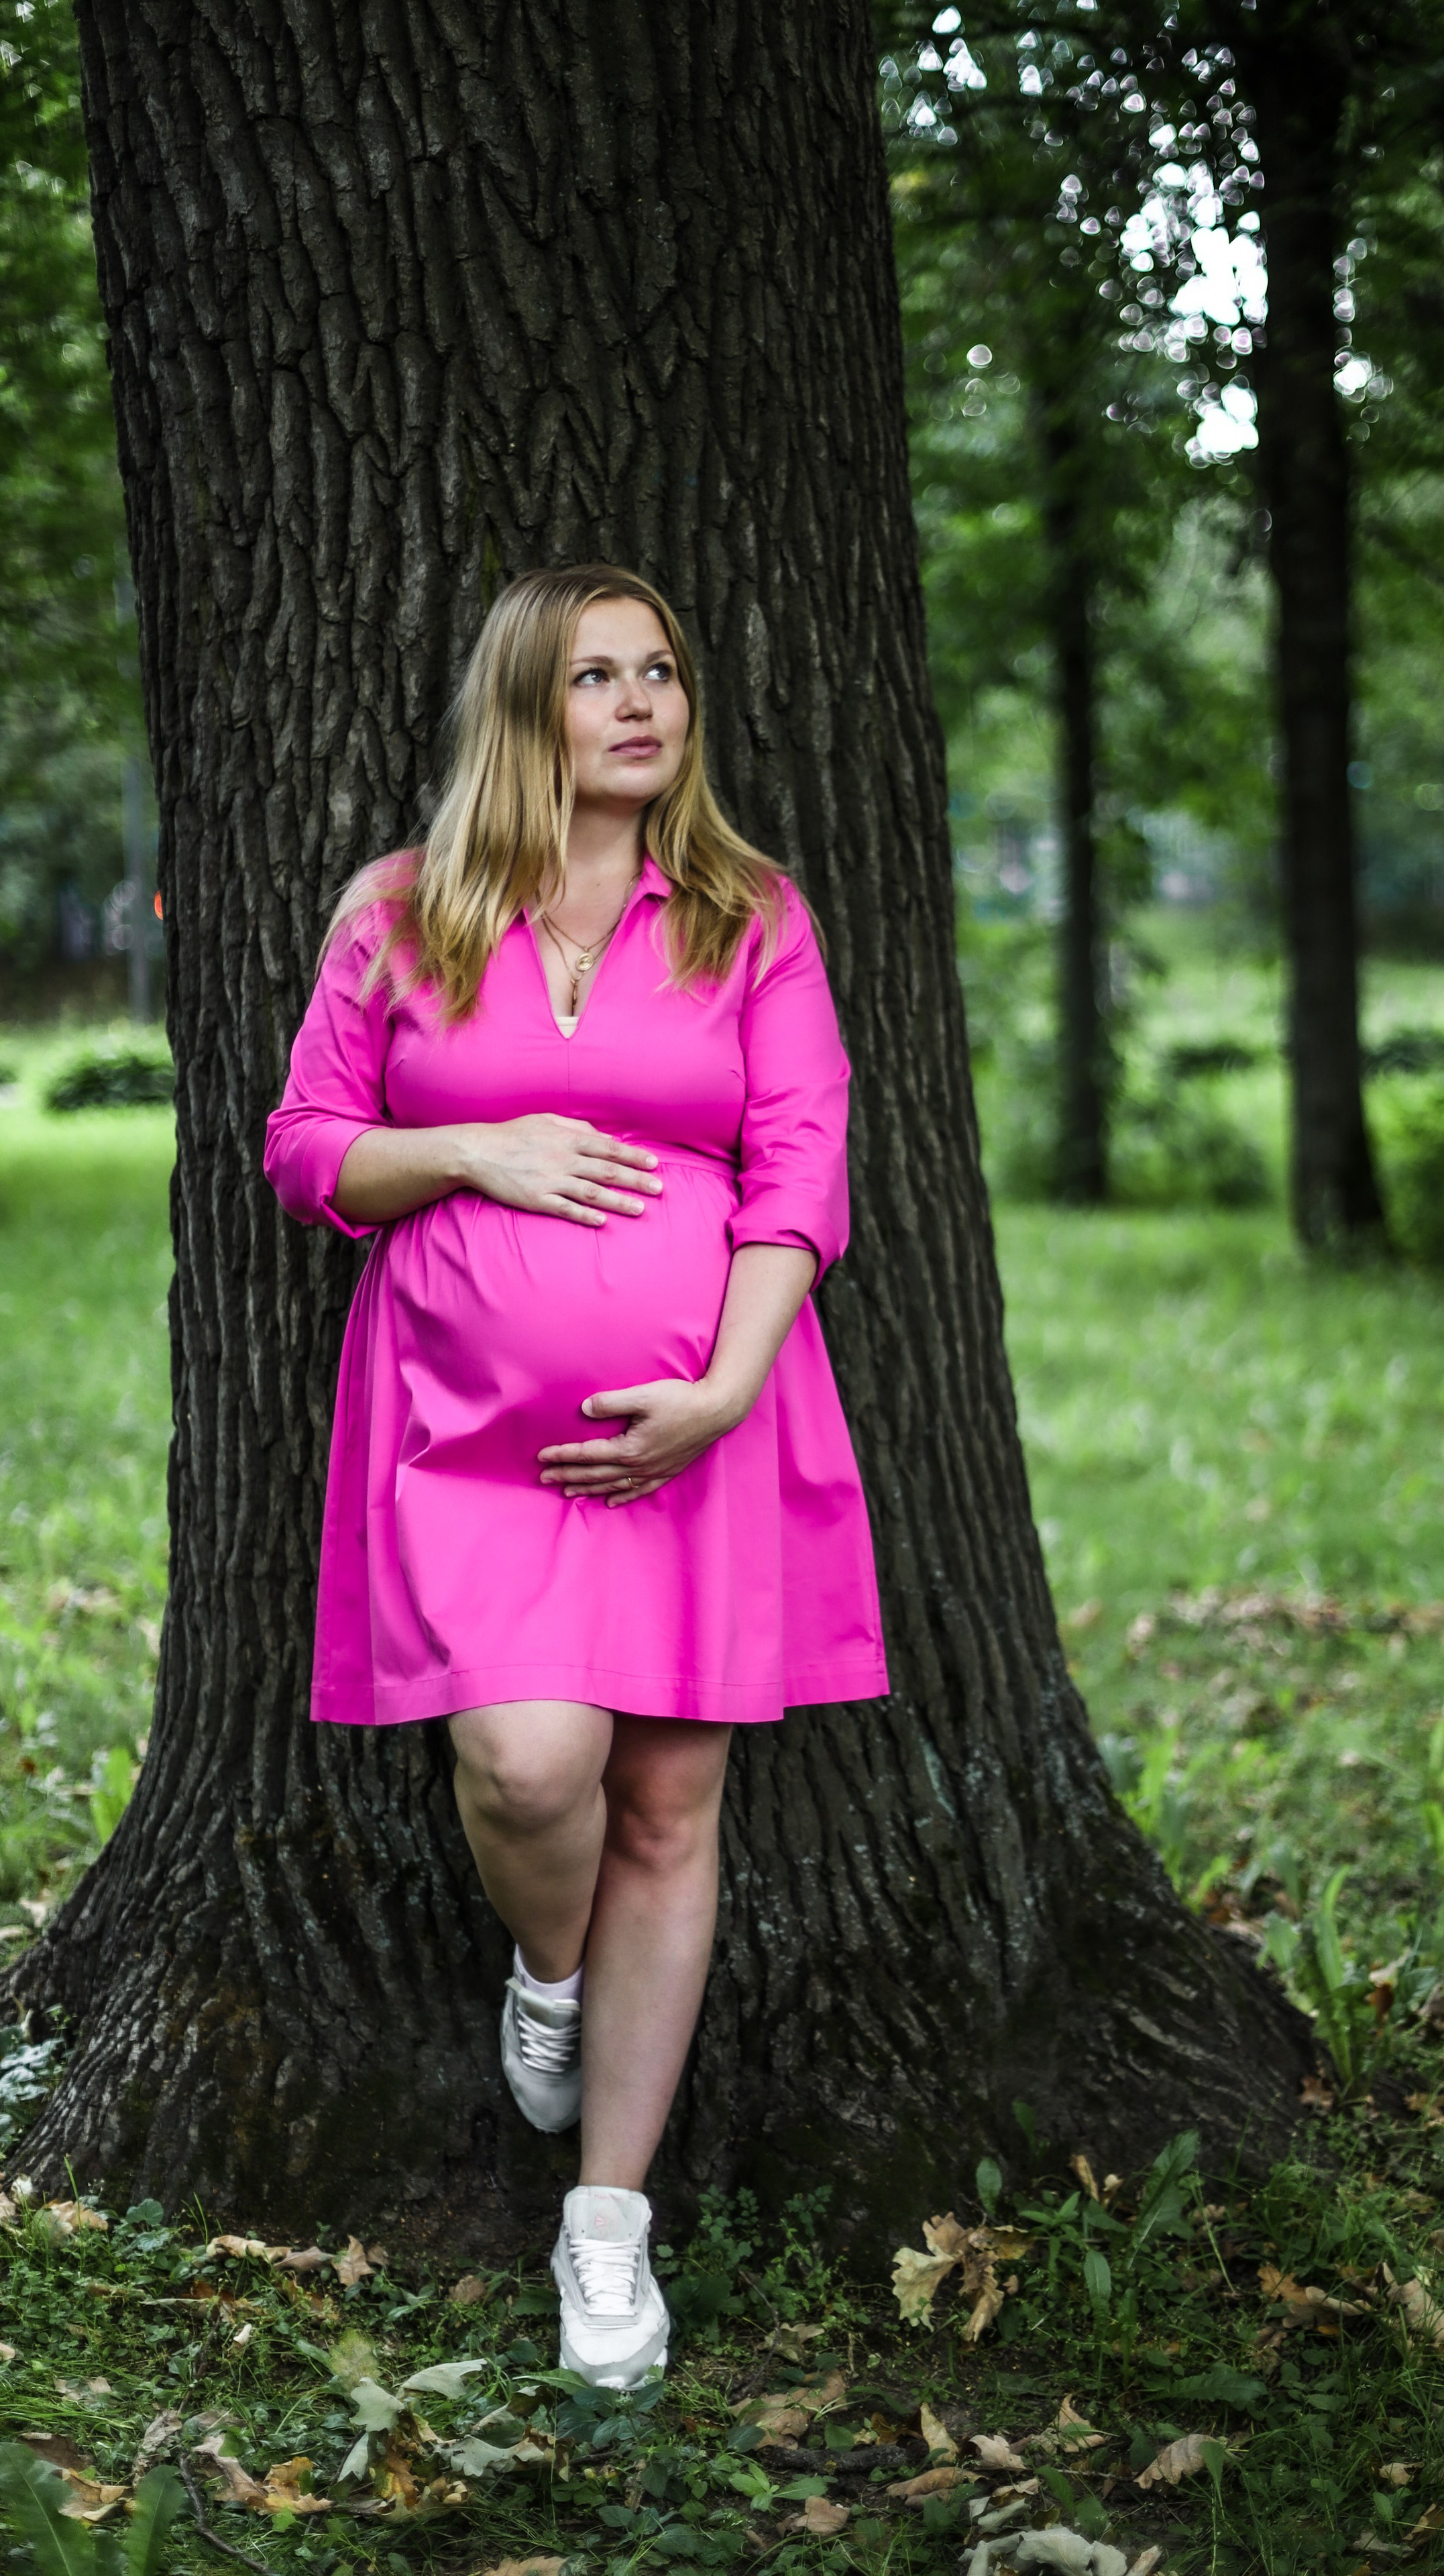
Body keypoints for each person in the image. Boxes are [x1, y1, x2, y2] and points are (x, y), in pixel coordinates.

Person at [263, 566, 888, 2389]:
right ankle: (550, 1975)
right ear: (525, 708)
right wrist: (479, 1149)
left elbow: (799, 1167)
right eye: (595, 675)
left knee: (673, 1812)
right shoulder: (402, 913)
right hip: (464, 1429)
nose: (640, 704)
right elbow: (310, 1150)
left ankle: (604, 2232)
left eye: (663, 672)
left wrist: (730, 1387)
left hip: (700, 1427)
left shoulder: (748, 914)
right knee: (532, 1768)